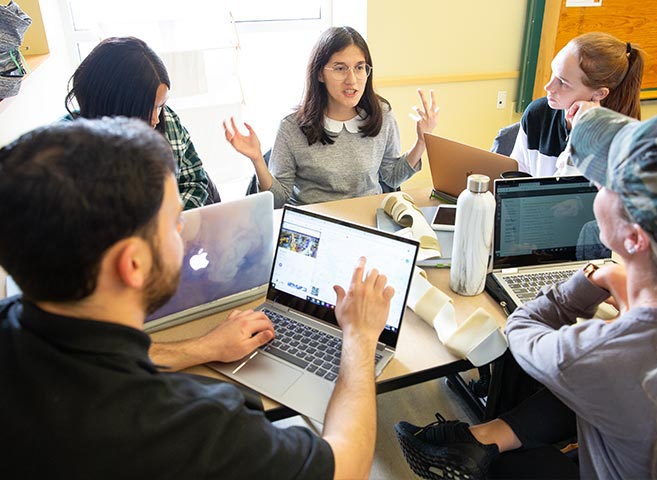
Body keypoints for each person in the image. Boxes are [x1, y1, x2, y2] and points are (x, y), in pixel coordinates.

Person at [0, 117, 396, 479]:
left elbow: (97, 353)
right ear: (133, 264)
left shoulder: (14, 322)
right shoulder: (194, 427)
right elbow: (348, 464)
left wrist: (201, 346)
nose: (186, 234)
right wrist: (360, 338)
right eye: (175, 222)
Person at [395, 106, 657, 480]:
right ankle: (476, 440)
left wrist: (590, 278)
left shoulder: (604, 351)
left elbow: (522, 329)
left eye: (607, 184)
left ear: (633, 237)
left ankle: (472, 444)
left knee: (510, 466)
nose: (596, 187)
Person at [224, 26, 439, 208]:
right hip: (313, 225)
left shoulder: (381, 114)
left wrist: (421, 141)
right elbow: (278, 200)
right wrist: (257, 159)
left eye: (359, 68)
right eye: (340, 68)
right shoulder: (291, 128)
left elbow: (392, 177)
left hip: (367, 219)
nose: (352, 80)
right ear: (319, 74)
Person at [65, 36, 219, 210]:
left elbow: (195, 181)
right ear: (117, 105)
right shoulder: (71, 150)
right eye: (148, 108)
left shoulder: (168, 120)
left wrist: (174, 220)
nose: (156, 119)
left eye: (161, 106)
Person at [510, 31, 645, 177]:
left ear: (599, 93)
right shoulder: (538, 113)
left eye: (563, 82)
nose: (548, 87)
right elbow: (516, 175)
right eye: (553, 72)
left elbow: (569, 194)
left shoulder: (618, 141)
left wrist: (581, 135)